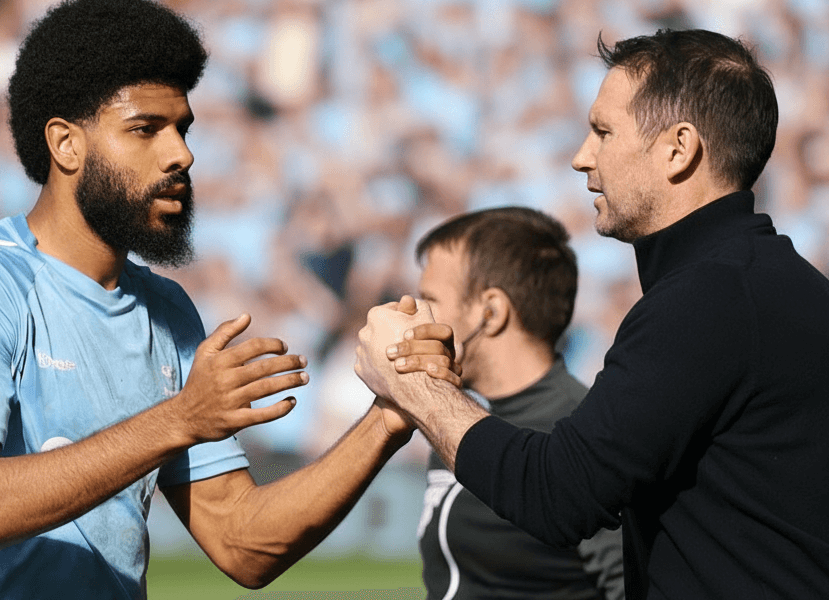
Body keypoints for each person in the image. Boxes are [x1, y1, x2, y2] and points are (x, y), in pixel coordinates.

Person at [0, 1, 453, 597]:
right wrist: (179, 420)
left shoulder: (167, 311)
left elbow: (241, 541)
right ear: (65, 145)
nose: (181, 154)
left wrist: (389, 414)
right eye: (145, 129)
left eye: (183, 127)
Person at [355, 29, 829, 600]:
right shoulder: (772, 285)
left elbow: (558, 495)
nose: (582, 157)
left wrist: (412, 384)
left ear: (678, 149)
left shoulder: (710, 298)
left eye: (604, 132)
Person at [413, 207, 624, 600]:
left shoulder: (582, 430)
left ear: (491, 312)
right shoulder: (456, 418)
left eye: (430, 300)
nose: (414, 316)